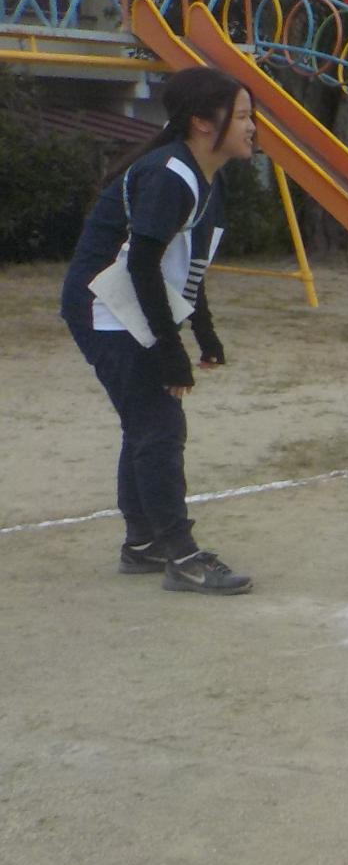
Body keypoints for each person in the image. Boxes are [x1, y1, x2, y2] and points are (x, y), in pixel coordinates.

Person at [60, 66, 255, 594]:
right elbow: (142, 265)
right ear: (200, 122)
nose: (250, 126)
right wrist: (172, 352)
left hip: (131, 303)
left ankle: (143, 543)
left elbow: (184, 267)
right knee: (159, 426)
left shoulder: (205, 177)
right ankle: (181, 555)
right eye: (240, 116)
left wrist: (205, 334)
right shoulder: (172, 174)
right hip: (106, 305)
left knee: (147, 423)